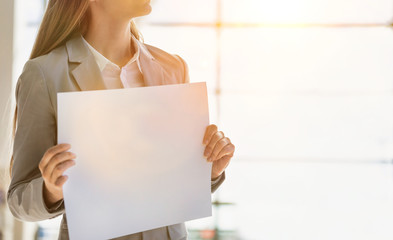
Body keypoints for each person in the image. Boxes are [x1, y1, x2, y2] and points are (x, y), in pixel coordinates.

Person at [7, 0, 235, 239]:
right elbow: (18, 200)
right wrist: (51, 190)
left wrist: (209, 170)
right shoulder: (44, 75)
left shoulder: (173, 68)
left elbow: (175, 185)